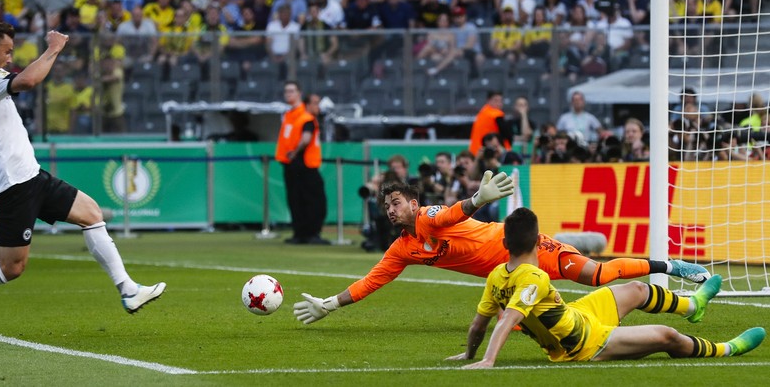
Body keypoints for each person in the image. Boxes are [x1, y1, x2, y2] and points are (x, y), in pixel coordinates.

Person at [0, 23, 165, 342]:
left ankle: (128, 290)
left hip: (30, 174)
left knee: (92, 214)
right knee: (12, 267)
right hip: (11, 184)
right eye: (7, 51)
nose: (9, 58)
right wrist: (54, 48)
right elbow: (28, 80)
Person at [292, 175, 710, 324]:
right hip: (509, 274)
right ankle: (681, 305)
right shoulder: (403, 248)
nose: (389, 209)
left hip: (523, 247)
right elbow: (371, 281)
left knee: (596, 276)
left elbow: (448, 217)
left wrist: (476, 200)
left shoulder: (429, 215)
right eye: (386, 206)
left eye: (395, 202)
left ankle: (671, 265)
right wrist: (330, 303)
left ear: (413, 203)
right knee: (547, 317)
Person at [447, 207, 765, 368]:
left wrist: (468, 353)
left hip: (577, 314)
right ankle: (728, 348)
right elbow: (507, 322)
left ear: (504, 243)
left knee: (637, 290)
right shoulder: (534, 277)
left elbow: (479, 324)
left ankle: (693, 305)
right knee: (666, 336)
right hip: (584, 344)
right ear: (538, 240)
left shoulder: (496, 275)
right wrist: (487, 361)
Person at [274, 81, 329, 245]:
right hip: (298, 163)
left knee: (302, 199)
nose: (288, 94)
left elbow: (304, 138)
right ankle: (306, 233)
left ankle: (304, 233)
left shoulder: (301, 116)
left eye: (291, 91)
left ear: (299, 93)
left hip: (299, 162)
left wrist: (293, 153)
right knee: (304, 199)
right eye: (286, 91)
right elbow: (303, 139)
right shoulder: (294, 116)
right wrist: (294, 154)